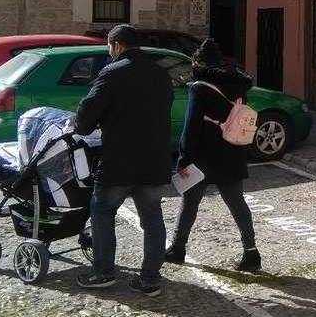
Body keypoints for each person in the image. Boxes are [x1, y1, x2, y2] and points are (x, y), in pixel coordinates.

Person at [74, 24, 174, 297]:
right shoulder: (160, 74)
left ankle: (103, 272)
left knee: (102, 212)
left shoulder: (112, 72)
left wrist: (82, 125)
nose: (109, 51)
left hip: (119, 159)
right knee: (152, 217)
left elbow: (88, 110)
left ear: (116, 45)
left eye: (109, 46)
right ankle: (151, 278)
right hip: (154, 159)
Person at [164, 38, 261, 272]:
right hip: (232, 151)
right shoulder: (238, 87)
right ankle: (251, 252)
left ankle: (178, 248)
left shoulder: (200, 88)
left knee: (190, 203)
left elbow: (191, 127)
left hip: (203, 156)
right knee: (237, 203)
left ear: (199, 62)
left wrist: (183, 158)